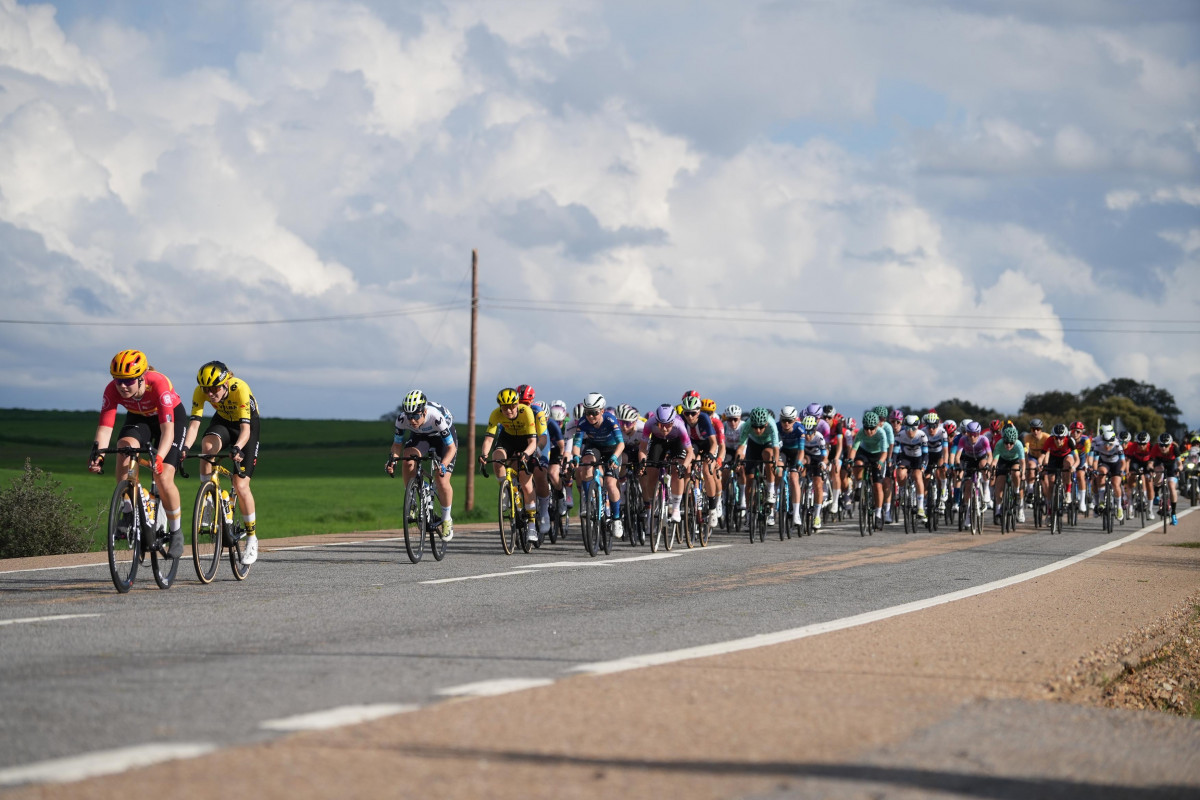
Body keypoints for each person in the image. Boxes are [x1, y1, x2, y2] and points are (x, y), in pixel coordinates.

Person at [88, 350, 187, 559]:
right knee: (124, 446)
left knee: (163, 476)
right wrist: (98, 455)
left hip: (171, 422)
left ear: (141, 377)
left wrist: (159, 458)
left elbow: (168, 431)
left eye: (129, 381)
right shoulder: (112, 390)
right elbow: (105, 428)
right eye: (118, 381)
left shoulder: (158, 384)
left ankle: (176, 532)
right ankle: (128, 507)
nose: (123, 386)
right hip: (140, 419)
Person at [184, 360, 263, 564]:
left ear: (226, 382)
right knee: (207, 449)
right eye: (206, 389)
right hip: (223, 422)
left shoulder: (240, 388)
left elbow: (245, 431)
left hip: (246, 426)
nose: (210, 394)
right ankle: (208, 497)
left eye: (214, 389)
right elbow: (193, 426)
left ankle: (252, 538)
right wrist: (183, 449)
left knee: (241, 484)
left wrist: (237, 448)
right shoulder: (200, 392)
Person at [385, 389, 458, 540]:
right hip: (420, 437)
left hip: (442, 440)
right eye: (409, 416)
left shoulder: (436, 417)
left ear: (424, 412)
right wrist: (392, 460)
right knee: (407, 460)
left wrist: (443, 464)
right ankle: (412, 499)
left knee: (442, 480)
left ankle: (446, 520)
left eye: (416, 416)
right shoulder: (401, 419)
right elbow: (397, 445)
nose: (412, 420)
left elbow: (451, 448)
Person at [479, 388, 541, 541]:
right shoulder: (495, 414)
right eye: (504, 407)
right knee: (497, 457)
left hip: (526, 440)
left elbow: (533, 442)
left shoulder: (526, 411)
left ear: (517, 403)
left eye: (512, 406)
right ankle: (506, 490)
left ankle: (532, 526)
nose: (508, 410)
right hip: (508, 439)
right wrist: (484, 455)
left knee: (526, 484)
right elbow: (489, 439)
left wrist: (526, 454)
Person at [571, 392, 625, 538]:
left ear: (602, 411)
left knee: (610, 483)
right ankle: (589, 501)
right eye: (588, 412)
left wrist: (614, 457)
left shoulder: (610, 419)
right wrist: (575, 456)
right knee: (586, 463)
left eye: (594, 413)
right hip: (594, 447)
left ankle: (616, 519)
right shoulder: (583, 422)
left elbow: (621, 443)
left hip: (612, 450)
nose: (590, 416)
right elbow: (576, 444)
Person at [640, 404, 695, 524]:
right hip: (658, 442)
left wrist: (683, 467)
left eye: (667, 425)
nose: (664, 429)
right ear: (656, 422)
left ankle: (675, 507)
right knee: (650, 471)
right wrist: (642, 463)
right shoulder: (650, 423)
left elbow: (690, 452)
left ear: (672, 422)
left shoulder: (679, 426)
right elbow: (643, 448)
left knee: (677, 469)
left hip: (677, 442)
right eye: (660, 425)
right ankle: (652, 509)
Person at [734, 407, 781, 527]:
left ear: (766, 424)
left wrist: (775, 463)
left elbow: (776, 448)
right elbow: (741, 447)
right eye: (755, 427)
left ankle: (770, 490)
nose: (758, 430)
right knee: (749, 480)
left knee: (768, 455)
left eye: (761, 427)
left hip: (768, 443)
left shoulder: (771, 424)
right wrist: (737, 462)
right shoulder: (747, 425)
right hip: (753, 444)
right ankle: (749, 514)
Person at [849, 410, 889, 526]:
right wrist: (850, 460)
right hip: (865, 452)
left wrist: (881, 462)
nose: (869, 431)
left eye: (872, 428)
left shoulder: (881, 433)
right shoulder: (861, 433)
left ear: (877, 426)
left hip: (878, 455)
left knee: (877, 485)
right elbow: (854, 449)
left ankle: (878, 514)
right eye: (867, 428)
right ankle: (859, 486)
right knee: (858, 463)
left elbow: (884, 453)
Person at [893, 414, 929, 520]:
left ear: (917, 427)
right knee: (900, 473)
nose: (910, 431)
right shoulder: (900, 435)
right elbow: (895, 453)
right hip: (906, 457)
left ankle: (921, 507)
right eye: (908, 428)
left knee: (917, 476)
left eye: (913, 428)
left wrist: (923, 466)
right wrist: (894, 463)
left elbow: (926, 454)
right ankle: (903, 491)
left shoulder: (922, 435)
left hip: (918, 458)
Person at [992, 425, 1026, 524]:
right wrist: (992, 471)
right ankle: (998, 509)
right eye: (1006, 442)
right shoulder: (999, 444)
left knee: (1016, 472)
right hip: (1003, 460)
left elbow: (1023, 463)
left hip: (1014, 461)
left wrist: (1023, 474)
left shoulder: (1019, 445)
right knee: (999, 482)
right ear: (1003, 440)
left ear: (1015, 441)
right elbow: (994, 461)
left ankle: (1016, 491)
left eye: (1011, 443)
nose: (1008, 445)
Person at [1151, 433, 1181, 525]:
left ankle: (1173, 513)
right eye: (1161, 445)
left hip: (1171, 465)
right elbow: (1151, 462)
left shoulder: (1174, 449)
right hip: (1159, 463)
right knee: (1159, 471)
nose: (1163, 448)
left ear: (1170, 444)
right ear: (1158, 444)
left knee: (1172, 487)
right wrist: (1151, 469)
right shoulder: (1155, 448)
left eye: (1166, 445)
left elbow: (1180, 464)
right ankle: (1156, 493)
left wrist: (1179, 469)